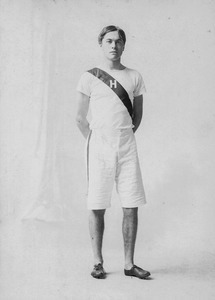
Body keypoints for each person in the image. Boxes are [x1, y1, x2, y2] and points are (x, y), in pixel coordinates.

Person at [76, 25, 150, 279]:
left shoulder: (134, 76)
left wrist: (122, 137)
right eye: (108, 41)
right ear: (101, 44)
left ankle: (129, 265)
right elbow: (79, 118)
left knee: (131, 205)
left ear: (124, 45)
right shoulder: (90, 76)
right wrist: (98, 142)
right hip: (99, 146)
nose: (113, 46)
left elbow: (137, 116)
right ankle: (97, 262)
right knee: (97, 204)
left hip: (127, 145)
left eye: (118, 41)